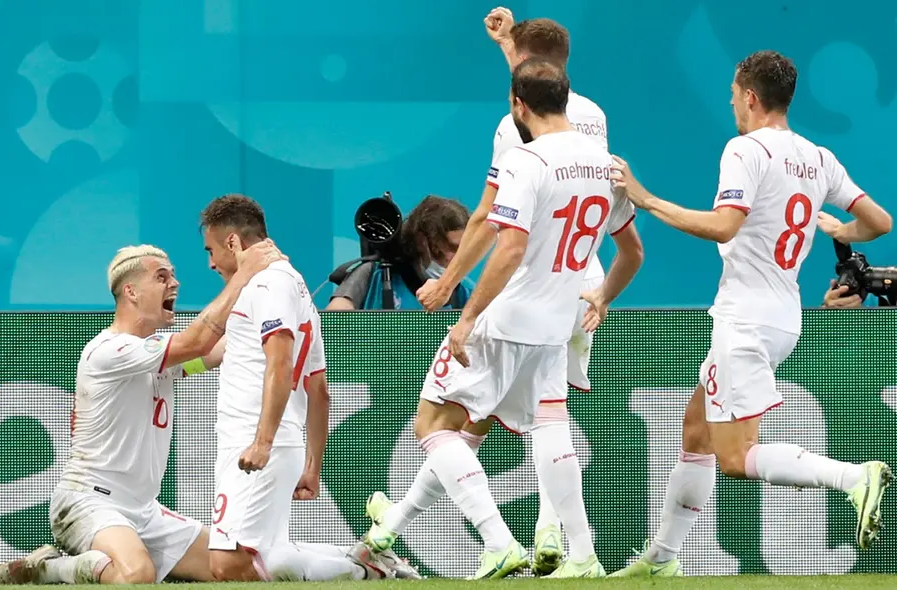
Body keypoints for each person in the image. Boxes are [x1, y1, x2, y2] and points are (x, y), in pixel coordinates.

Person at [608, 50, 893, 577]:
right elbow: (879, 221)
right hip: (783, 314)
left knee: (736, 459)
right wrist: (839, 230)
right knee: (696, 428)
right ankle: (660, 561)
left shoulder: (745, 149)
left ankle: (853, 478)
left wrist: (646, 200)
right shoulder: (818, 156)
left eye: (735, 95)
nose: (732, 103)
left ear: (751, 97)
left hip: (745, 318)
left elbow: (723, 226)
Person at [365, 58, 643, 580]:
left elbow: (509, 245)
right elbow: (632, 253)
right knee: (547, 428)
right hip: (557, 323)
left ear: (518, 104)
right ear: (566, 99)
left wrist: (467, 316)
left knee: (434, 424)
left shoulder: (525, 160)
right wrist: (602, 297)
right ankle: (582, 555)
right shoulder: (609, 166)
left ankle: (498, 543)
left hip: (508, 316)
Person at [0, 239, 284, 585]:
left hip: (144, 510)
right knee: (136, 575)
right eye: (161, 277)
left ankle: (109, 556)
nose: (174, 283)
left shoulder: (155, 356)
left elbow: (219, 348)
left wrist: (270, 297)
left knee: (237, 571)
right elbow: (197, 343)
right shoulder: (111, 350)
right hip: (88, 502)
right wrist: (243, 275)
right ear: (131, 291)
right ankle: (43, 569)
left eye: (172, 276)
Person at [198, 194, 418, 582]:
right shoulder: (294, 286)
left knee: (228, 564)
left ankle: (362, 569)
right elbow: (320, 390)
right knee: (272, 556)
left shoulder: (268, 285)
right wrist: (312, 464)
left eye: (212, 250)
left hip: (257, 444)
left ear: (233, 243)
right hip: (267, 444)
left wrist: (263, 441)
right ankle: (365, 559)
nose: (211, 263)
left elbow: (280, 364)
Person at [327, 195, 473, 310]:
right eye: (450, 248)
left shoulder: (464, 290)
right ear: (422, 241)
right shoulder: (371, 273)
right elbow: (335, 318)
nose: (455, 258)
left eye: (462, 249)